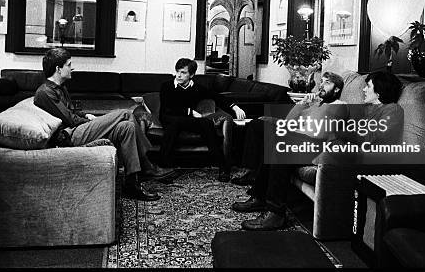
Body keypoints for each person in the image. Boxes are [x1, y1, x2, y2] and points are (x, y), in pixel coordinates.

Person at [233, 70, 405, 231]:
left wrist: (338, 130)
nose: (364, 89)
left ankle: (274, 212)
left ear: (380, 91)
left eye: (368, 86)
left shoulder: (393, 110)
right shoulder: (365, 108)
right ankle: (262, 199)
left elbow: (372, 138)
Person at [34, 48, 168, 201]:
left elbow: (72, 112)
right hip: (69, 135)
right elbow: (70, 120)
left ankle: (132, 182)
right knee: (125, 113)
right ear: (58, 69)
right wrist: (92, 121)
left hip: (77, 129)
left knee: (127, 127)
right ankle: (148, 162)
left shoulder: (61, 87)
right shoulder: (45, 92)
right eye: (69, 65)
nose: (72, 68)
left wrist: (85, 115)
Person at [159, 58, 246, 181]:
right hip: (170, 118)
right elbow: (168, 108)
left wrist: (234, 107)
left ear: (192, 75)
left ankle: (223, 165)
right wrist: (190, 111)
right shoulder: (166, 86)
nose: (178, 75)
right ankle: (164, 167)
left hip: (187, 120)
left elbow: (216, 96)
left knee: (206, 123)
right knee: (174, 123)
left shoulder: (197, 88)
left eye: (183, 72)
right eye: (177, 71)